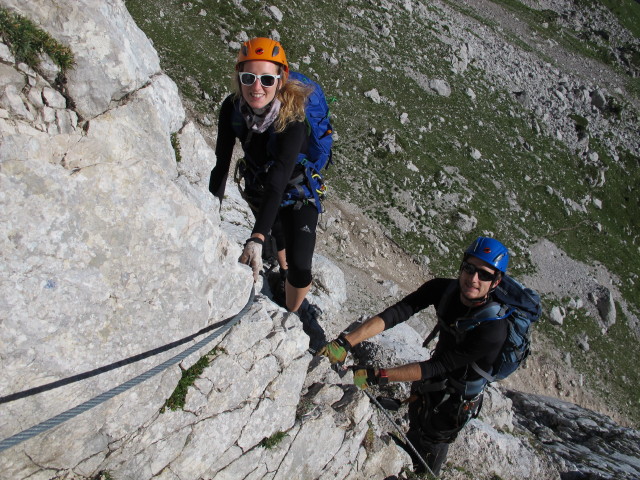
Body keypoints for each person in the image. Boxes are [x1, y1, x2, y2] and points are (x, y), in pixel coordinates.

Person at [318, 237, 511, 476]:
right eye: (469, 269)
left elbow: (441, 365)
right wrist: (345, 342)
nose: (473, 279)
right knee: (416, 425)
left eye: (485, 275)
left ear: (496, 282)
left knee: (429, 448)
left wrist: (376, 376)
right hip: (428, 382)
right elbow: (399, 312)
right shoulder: (443, 289)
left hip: (455, 401)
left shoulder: (493, 329)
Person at [209, 37, 320, 316]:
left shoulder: (292, 119)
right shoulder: (232, 108)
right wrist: (209, 211)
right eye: (248, 77)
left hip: (296, 191)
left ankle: (291, 312)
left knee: (301, 263)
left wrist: (256, 238)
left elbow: (281, 178)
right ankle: (281, 270)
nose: (256, 87)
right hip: (260, 183)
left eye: (267, 80)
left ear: (280, 80)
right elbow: (221, 164)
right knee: (277, 232)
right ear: (239, 78)